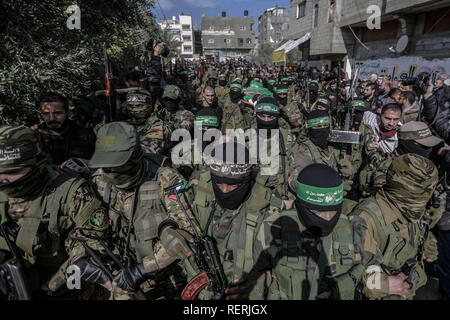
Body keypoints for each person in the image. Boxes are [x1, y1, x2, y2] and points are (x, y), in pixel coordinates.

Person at [158, 141, 285, 300]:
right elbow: (174, 215)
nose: (224, 191)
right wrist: (166, 229)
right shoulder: (201, 189)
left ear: (247, 179)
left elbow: (289, 274)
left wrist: (260, 284)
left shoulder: (269, 211)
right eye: (218, 183)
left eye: (233, 185)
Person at [0, 125, 107, 299]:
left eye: (13, 172)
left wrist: (52, 286)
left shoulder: (71, 192)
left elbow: (92, 246)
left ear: (36, 163)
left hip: (61, 288)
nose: (3, 179)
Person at [86, 122, 189, 299]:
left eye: (116, 163)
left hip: (167, 280)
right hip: (118, 277)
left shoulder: (166, 179)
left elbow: (187, 231)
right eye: (106, 164)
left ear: (134, 156)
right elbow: (88, 227)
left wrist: (143, 269)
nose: (110, 170)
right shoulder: (99, 181)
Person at [266, 164, 366, 299]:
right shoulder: (272, 230)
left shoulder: (353, 228)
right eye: (318, 211)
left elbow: (371, 268)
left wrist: (380, 284)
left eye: (334, 211)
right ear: (300, 204)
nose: (328, 219)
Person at [350, 154, 439, 300]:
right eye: (423, 193)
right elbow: (351, 276)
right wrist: (384, 286)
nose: (428, 198)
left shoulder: (410, 212)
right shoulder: (365, 219)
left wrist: (423, 246)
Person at [35, 92, 96, 165]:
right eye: (46, 114)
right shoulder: (35, 137)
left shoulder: (86, 135)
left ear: (67, 113)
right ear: (41, 115)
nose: (52, 118)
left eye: (57, 113)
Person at [125, 89, 173, 156]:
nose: (134, 109)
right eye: (131, 106)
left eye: (138, 105)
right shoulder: (124, 125)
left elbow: (148, 149)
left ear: (148, 105)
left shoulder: (159, 126)